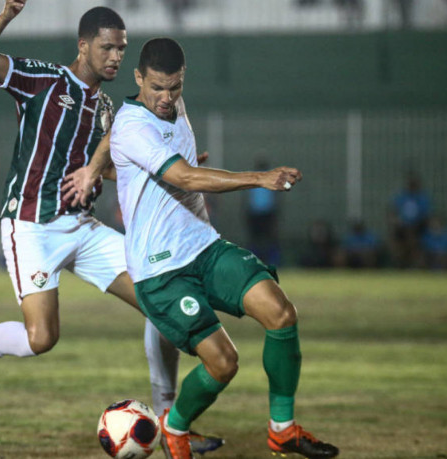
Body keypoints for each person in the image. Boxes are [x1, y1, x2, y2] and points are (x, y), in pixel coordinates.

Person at [0, 3, 223, 455]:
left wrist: (163, 170)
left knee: (161, 304)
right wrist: (7, 15)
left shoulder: (107, 108)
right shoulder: (45, 81)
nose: (115, 57)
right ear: (83, 45)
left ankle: (170, 423)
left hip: (82, 228)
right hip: (30, 227)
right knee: (41, 339)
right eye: (107, 47)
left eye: (121, 50)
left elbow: (106, 169)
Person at [65, 37, 338, 459]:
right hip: (162, 273)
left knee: (281, 313)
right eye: (156, 87)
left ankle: (282, 430)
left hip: (203, 247)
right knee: (224, 363)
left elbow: (167, 165)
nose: (165, 97)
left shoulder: (173, 105)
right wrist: (258, 178)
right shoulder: (133, 123)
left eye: (174, 87)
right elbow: (187, 178)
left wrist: (154, 167)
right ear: (138, 78)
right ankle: (174, 429)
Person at [388, 174, 431, 268]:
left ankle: (415, 264)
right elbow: (392, 212)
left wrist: (415, 225)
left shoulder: (422, 198)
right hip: (402, 226)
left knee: (411, 236)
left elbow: (426, 216)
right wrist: (395, 221)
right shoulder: (401, 197)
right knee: (396, 241)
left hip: (419, 227)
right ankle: (399, 263)